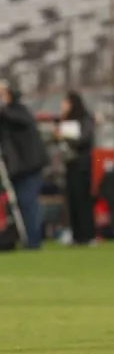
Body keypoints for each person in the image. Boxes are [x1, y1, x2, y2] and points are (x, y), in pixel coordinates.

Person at [0, 81, 49, 249]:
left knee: (28, 202)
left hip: (28, 166)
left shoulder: (19, 111)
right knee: (21, 203)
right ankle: (26, 237)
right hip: (17, 168)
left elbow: (19, 120)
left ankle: (34, 241)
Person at [56, 91, 96, 246]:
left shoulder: (84, 119)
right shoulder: (66, 120)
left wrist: (65, 135)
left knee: (82, 199)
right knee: (71, 199)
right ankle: (76, 234)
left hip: (81, 164)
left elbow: (83, 139)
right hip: (70, 163)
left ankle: (87, 234)